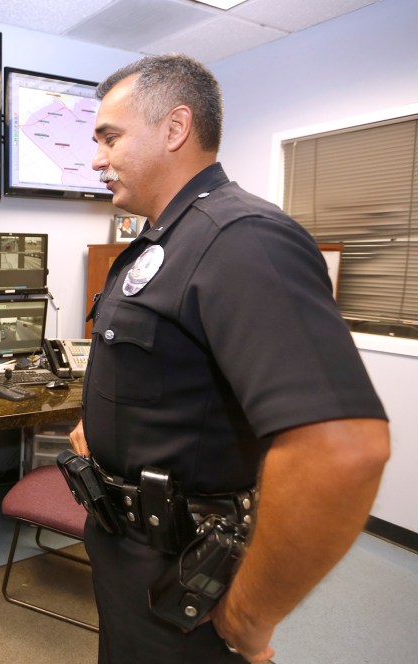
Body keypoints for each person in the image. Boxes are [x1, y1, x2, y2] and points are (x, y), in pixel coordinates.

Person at [70, 54, 389, 663]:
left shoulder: (242, 238)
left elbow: (343, 448)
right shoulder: (161, 240)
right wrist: (107, 426)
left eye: (109, 137)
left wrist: (248, 614)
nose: (96, 158)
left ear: (174, 128)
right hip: (125, 543)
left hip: (185, 568)